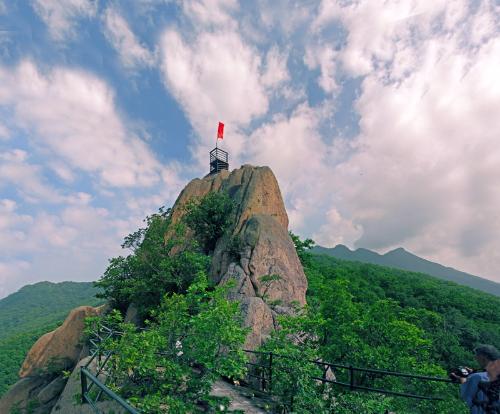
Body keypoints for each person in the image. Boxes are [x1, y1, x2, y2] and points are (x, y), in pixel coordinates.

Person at [453, 345, 500, 413]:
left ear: (484, 357)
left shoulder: (476, 377)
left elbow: (465, 399)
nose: (475, 357)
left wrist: (463, 380)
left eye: (477, 355)